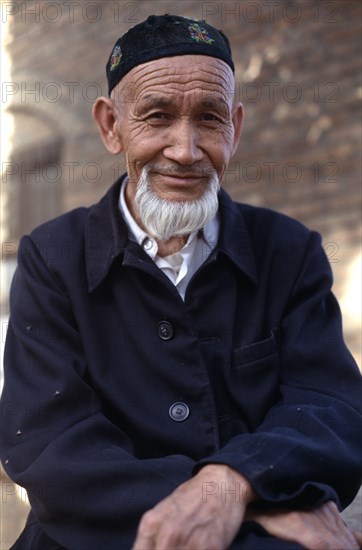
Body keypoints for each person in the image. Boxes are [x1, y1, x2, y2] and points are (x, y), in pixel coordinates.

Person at [1, 14, 361, 550]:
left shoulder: (288, 251)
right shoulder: (52, 258)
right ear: (110, 126)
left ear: (235, 129)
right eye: (157, 116)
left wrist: (229, 483)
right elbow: (51, 446)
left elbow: (332, 409)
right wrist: (251, 510)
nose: (186, 150)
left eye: (210, 119)